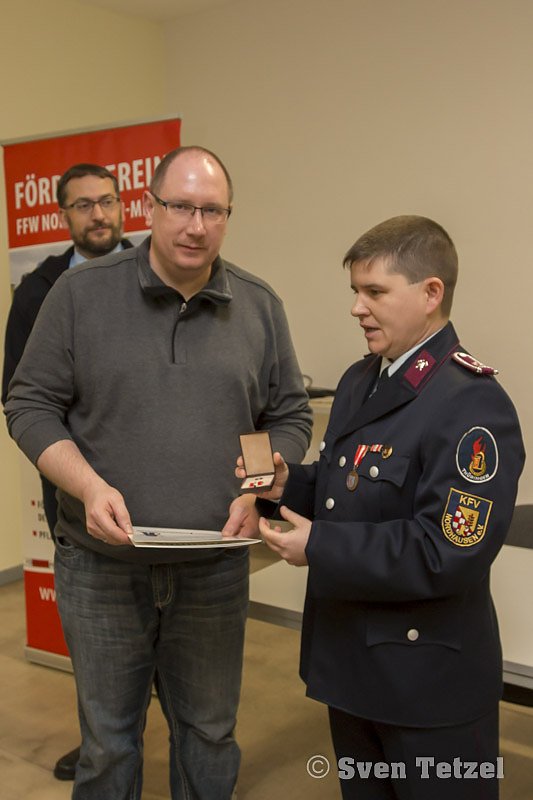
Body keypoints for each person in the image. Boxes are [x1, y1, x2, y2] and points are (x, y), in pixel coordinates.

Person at [4, 145, 312, 799]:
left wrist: (255, 490)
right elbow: (29, 404)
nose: (195, 226)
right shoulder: (79, 294)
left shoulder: (258, 306)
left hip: (214, 568)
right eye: (179, 207)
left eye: (212, 211)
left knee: (207, 734)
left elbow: (284, 415)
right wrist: (86, 487)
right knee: (109, 744)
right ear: (149, 208)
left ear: (227, 216)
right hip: (100, 568)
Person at [250, 216, 524, 800]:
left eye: (374, 291)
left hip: (427, 688)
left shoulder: (473, 404)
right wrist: (285, 487)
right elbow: (344, 485)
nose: (357, 307)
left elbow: (446, 551)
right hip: (353, 669)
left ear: (431, 293)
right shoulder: (360, 380)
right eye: (355, 291)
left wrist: (318, 546)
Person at [2, 162, 132, 781]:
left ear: (124, 205)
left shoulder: (155, 272)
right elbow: (21, 395)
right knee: (95, 639)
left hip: (165, 499)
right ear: (64, 216)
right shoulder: (39, 290)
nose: (99, 215)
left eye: (107, 201)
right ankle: (99, 745)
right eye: (83, 205)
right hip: (78, 505)